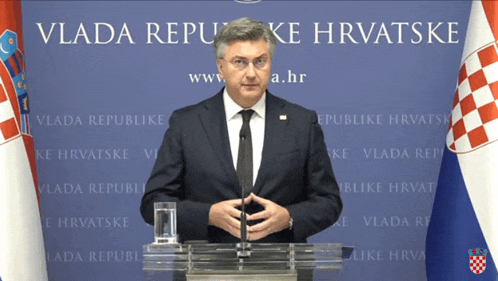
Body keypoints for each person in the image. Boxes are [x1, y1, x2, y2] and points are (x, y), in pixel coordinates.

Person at [140, 17, 342, 244]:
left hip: (281, 269)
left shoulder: (302, 122)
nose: (251, 73)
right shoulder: (187, 123)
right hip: (205, 270)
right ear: (221, 67)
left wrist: (289, 217)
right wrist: (208, 215)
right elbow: (153, 204)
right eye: (239, 62)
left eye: (260, 61)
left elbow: (329, 201)